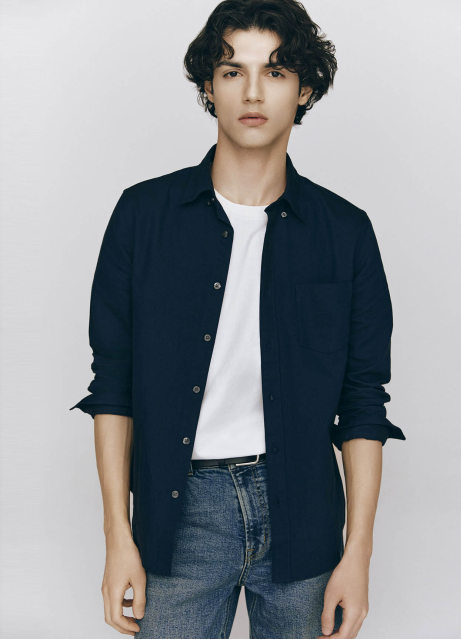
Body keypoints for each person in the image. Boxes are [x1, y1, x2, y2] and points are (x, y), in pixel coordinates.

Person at [70, 1, 406, 637]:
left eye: (275, 72)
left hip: (303, 513)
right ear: (208, 86)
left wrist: (357, 552)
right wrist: (119, 535)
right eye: (232, 71)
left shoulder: (345, 232)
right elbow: (114, 385)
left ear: (304, 90)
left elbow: (363, 401)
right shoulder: (143, 216)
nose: (253, 92)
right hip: (179, 517)